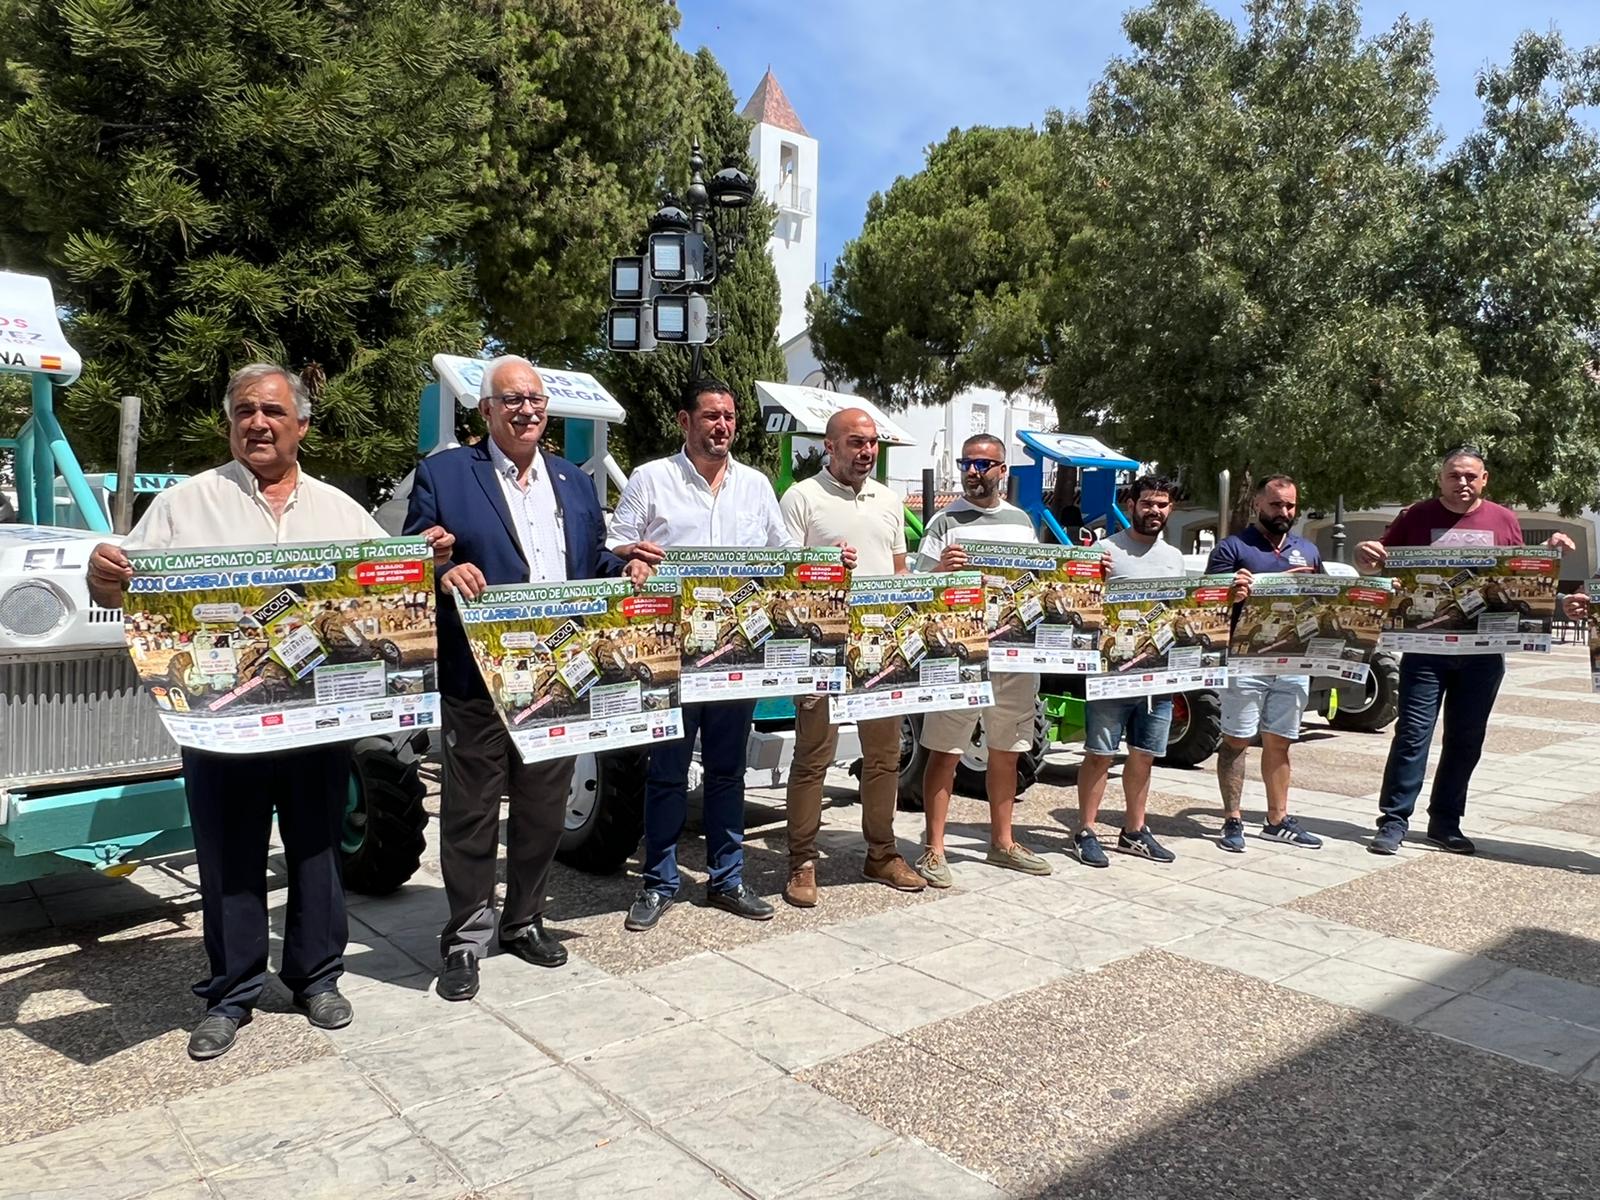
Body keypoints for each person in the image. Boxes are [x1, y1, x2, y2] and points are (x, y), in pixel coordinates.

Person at [87, 363, 418, 1061]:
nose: (257, 423)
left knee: (318, 849)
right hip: (221, 723)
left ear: (300, 425)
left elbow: (388, 592)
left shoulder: (338, 510)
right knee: (228, 857)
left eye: (272, 411)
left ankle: (315, 978)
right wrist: (103, 576)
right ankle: (231, 992)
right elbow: (126, 593)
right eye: (244, 412)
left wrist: (427, 559)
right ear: (230, 423)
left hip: (316, 722)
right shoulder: (184, 504)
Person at [404, 355, 630, 1001]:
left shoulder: (574, 481)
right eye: (511, 400)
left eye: (534, 399)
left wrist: (624, 567)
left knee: (542, 810)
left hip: (555, 677)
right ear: (487, 411)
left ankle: (524, 919)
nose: (526, 410)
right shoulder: (445, 474)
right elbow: (413, 553)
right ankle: (466, 938)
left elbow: (591, 560)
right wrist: (439, 568)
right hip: (477, 676)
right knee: (473, 812)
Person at [607, 378, 795, 933]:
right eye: (711, 416)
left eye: (730, 417)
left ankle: (726, 879)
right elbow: (616, 541)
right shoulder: (651, 479)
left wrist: (823, 562)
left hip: (735, 653)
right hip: (672, 654)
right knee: (665, 772)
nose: (723, 426)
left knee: (727, 771)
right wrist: (630, 558)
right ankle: (660, 882)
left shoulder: (755, 486)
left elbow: (781, 557)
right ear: (685, 422)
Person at [1356, 446, 1574, 855]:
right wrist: (1364, 557)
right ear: (1440, 478)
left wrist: (1547, 554)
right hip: (1425, 650)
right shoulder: (1415, 516)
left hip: (1484, 654)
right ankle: (1393, 821)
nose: (1463, 483)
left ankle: (1445, 823)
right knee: (1412, 735)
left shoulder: (1503, 518)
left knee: (1466, 739)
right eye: (1455, 475)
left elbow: (1514, 574)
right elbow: (1380, 564)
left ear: (1485, 479)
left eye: (1471, 476)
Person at [780, 408, 921, 905]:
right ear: (830, 445)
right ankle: (801, 860)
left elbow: (900, 573)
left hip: (881, 649)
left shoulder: (888, 500)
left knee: (884, 757)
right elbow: (783, 576)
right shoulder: (801, 497)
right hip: (822, 648)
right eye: (856, 442)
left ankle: (881, 853)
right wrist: (821, 565)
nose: (866, 452)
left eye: (872, 443)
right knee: (813, 756)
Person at [912, 433, 1052, 886]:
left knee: (1007, 752)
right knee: (944, 750)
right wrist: (939, 572)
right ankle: (933, 850)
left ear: (1001, 471)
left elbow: (1033, 585)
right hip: (960, 654)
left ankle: (1003, 843)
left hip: (1012, 656)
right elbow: (916, 593)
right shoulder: (942, 523)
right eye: (967, 463)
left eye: (984, 464)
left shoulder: (1021, 523)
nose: (974, 471)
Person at [1073, 475, 1186, 868]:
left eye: (1162, 504)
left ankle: (1134, 831)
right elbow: (1082, 603)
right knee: (1099, 754)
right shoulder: (1106, 551)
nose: (1154, 510)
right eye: (1148, 503)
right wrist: (1088, 572)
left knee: (1144, 755)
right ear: (1132, 503)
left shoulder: (1174, 557)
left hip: (1158, 676)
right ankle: (1086, 830)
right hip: (1112, 673)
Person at [1207, 475, 1323, 852]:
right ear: (1259, 503)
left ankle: (1277, 819)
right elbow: (1208, 602)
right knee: (1236, 741)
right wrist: (1237, 589)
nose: (1284, 512)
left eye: (1290, 505)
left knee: (1280, 742)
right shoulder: (1233, 548)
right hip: (1245, 662)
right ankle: (1233, 820)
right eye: (1276, 505)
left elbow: (1322, 603)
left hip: (1292, 661)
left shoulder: (1307, 550)